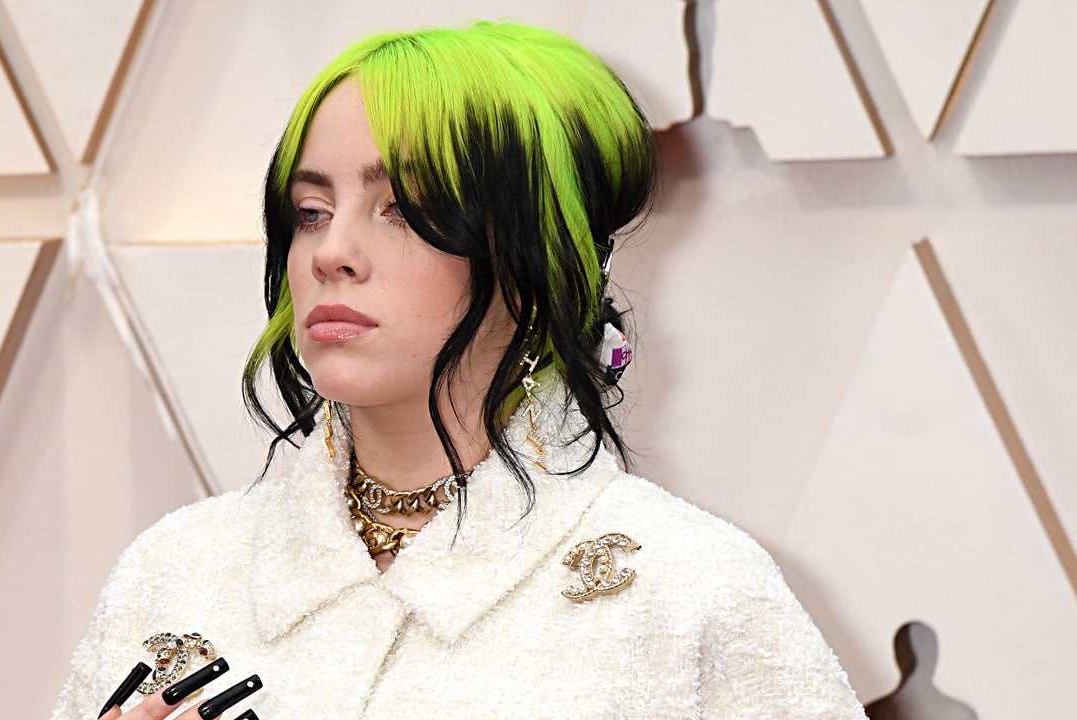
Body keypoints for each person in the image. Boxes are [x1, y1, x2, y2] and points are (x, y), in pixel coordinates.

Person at [52, 21, 866, 720]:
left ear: (537, 253)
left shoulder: (688, 588)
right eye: (311, 212)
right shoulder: (176, 568)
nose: (332, 253)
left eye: (403, 210)